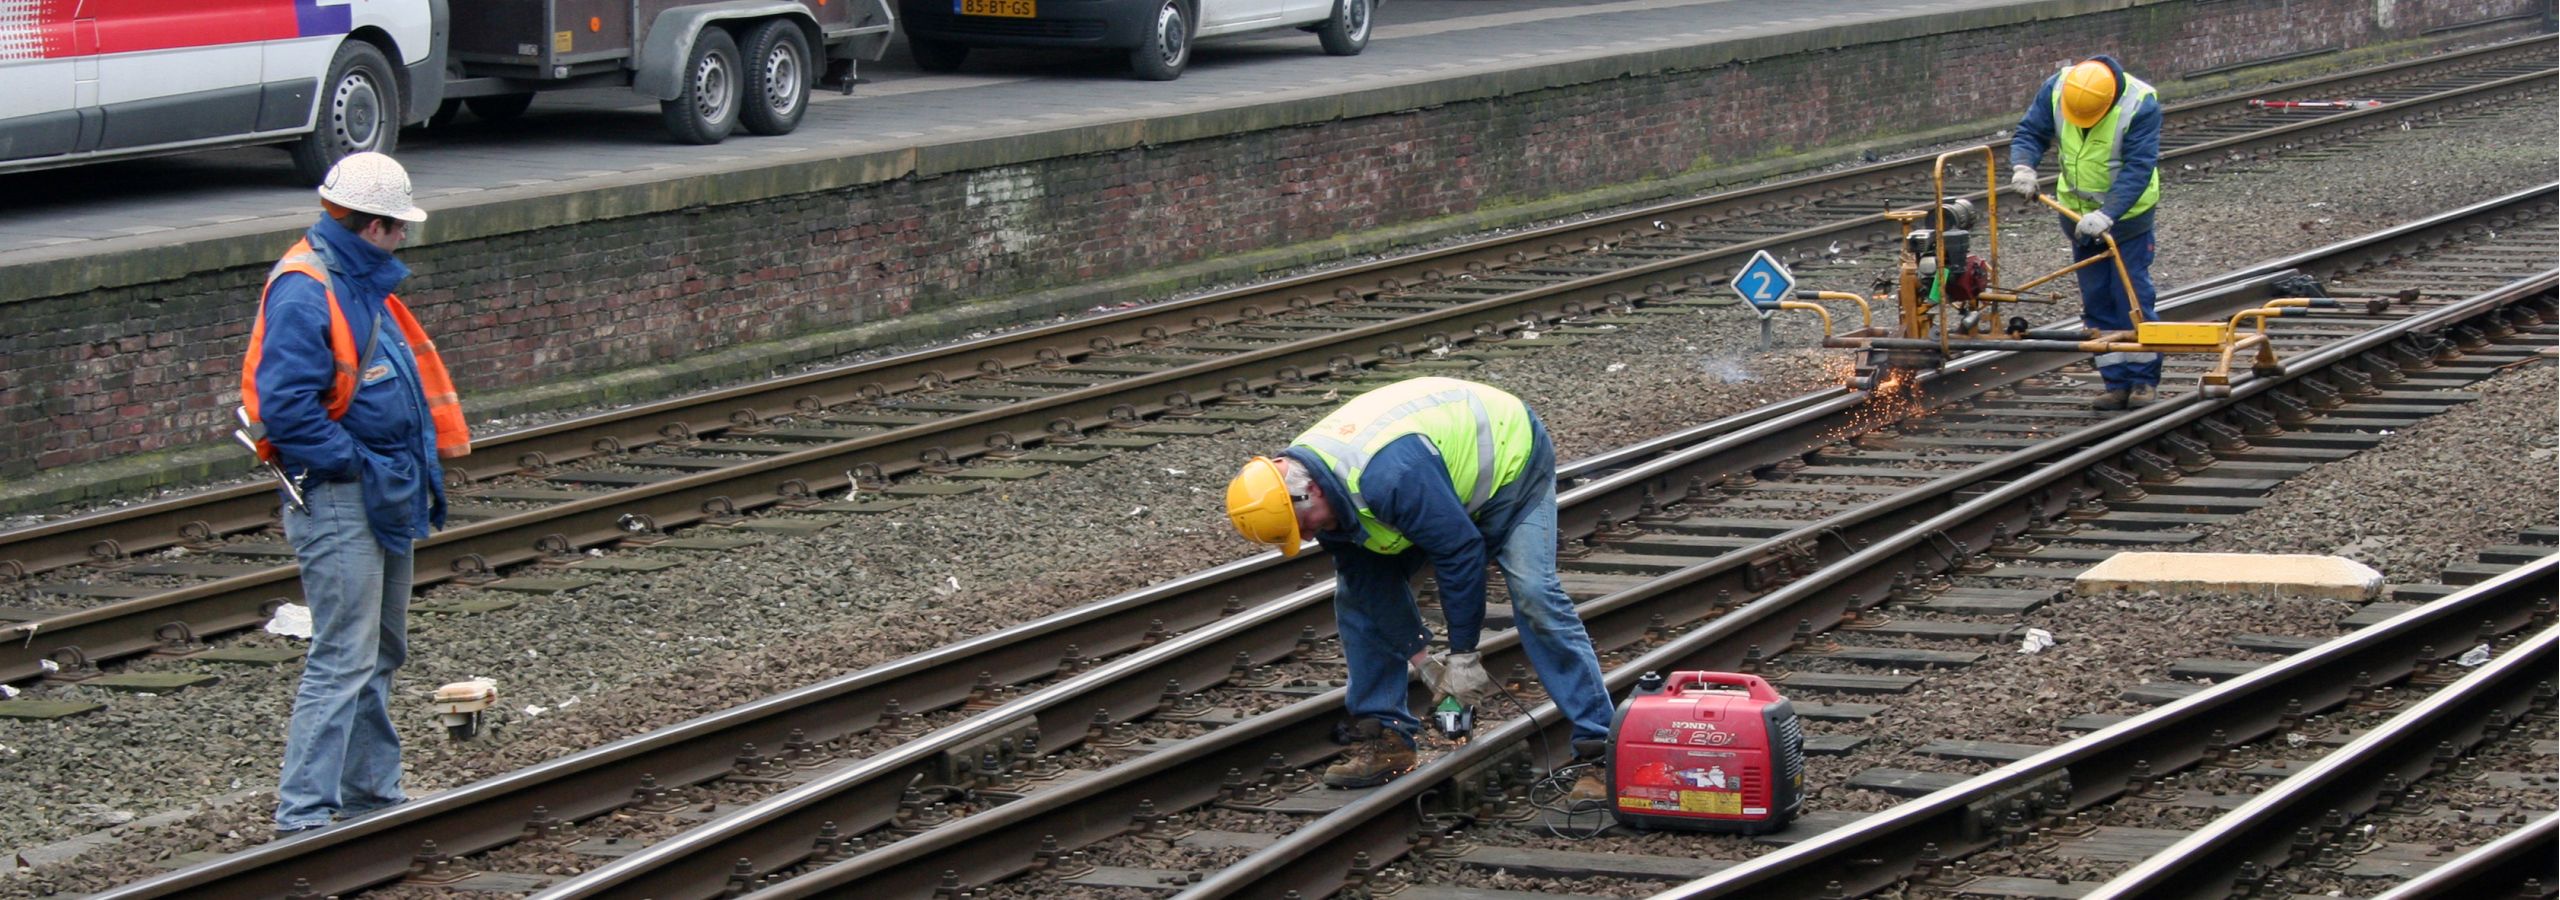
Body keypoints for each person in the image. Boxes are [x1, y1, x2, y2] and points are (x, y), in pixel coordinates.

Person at [1224, 377, 1612, 802]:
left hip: (1507, 465)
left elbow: (1461, 553)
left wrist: (1463, 657)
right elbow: (1372, 583)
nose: (1310, 536)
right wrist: (1425, 662)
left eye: (1305, 525)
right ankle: (1386, 735)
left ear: (1309, 490)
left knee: (1535, 595)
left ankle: (1599, 749)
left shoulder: (1390, 477)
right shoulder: (1306, 490)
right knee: (1357, 598)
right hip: (1434, 484)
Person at [240, 152, 471, 836]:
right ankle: (304, 815)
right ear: (373, 228)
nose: (404, 238)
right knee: (344, 656)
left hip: (379, 490)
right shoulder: (309, 288)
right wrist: (358, 465)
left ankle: (370, 794)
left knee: (379, 650)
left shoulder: (355, 280)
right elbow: (287, 410)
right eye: (398, 227)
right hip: (345, 495)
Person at [2009, 55, 2164, 410]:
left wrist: (2109, 213)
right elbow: (2031, 132)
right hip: (2075, 215)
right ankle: (2116, 382)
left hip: (2127, 220)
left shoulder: (2140, 104)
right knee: (2097, 299)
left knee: (2131, 297)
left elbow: (2138, 168)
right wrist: (2023, 166)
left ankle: (2143, 380)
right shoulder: (2059, 88)